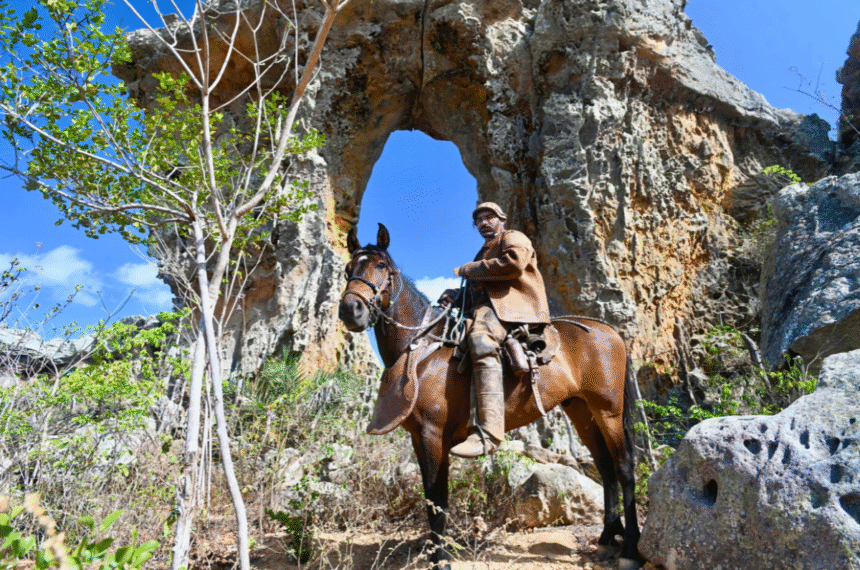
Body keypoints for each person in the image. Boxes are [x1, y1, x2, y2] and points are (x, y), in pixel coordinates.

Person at [439, 202, 551, 458]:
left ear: (501, 218)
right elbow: (479, 291)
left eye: (489, 217)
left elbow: (513, 264)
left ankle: (487, 435)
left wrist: (470, 269)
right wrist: (455, 295)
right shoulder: (483, 252)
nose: (484, 223)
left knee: (480, 338)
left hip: (511, 308)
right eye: (479, 220)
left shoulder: (513, 237)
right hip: (488, 307)